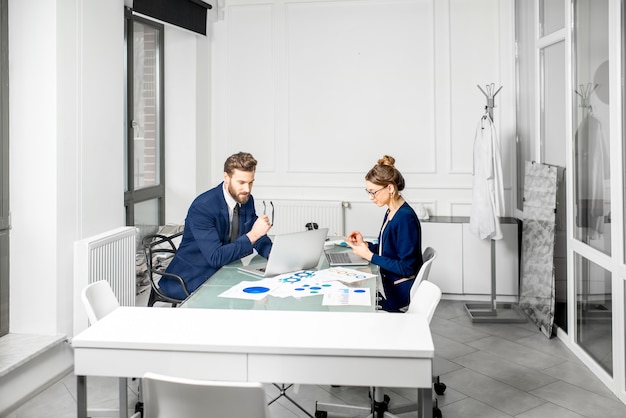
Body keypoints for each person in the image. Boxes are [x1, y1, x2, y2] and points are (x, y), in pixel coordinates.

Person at [159, 152, 273, 300]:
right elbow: (215, 257)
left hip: (226, 270)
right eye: (241, 182)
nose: (247, 189)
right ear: (226, 177)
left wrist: (272, 254)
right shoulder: (203, 207)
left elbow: (255, 232)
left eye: (251, 182)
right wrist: (253, 235)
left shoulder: (245, 199)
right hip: (193, 276)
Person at [346, 155, 423, 312]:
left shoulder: (404, 218)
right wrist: (365, 246)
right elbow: (388, 250)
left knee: (350, 300)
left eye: (373, 192)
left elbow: (406, 268)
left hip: (397, 293)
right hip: (390, 285)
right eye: (368, 192)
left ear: (390, 188)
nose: (370, 197)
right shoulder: (392, 211)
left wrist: (369, 256)